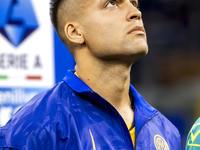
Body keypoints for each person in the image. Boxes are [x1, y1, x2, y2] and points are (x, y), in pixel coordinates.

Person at [0, 0, 181, 149]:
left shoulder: (167, 131)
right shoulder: (36, 126)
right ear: (75, 32)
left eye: (134, 3)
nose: (135, 12)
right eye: (111, 4)